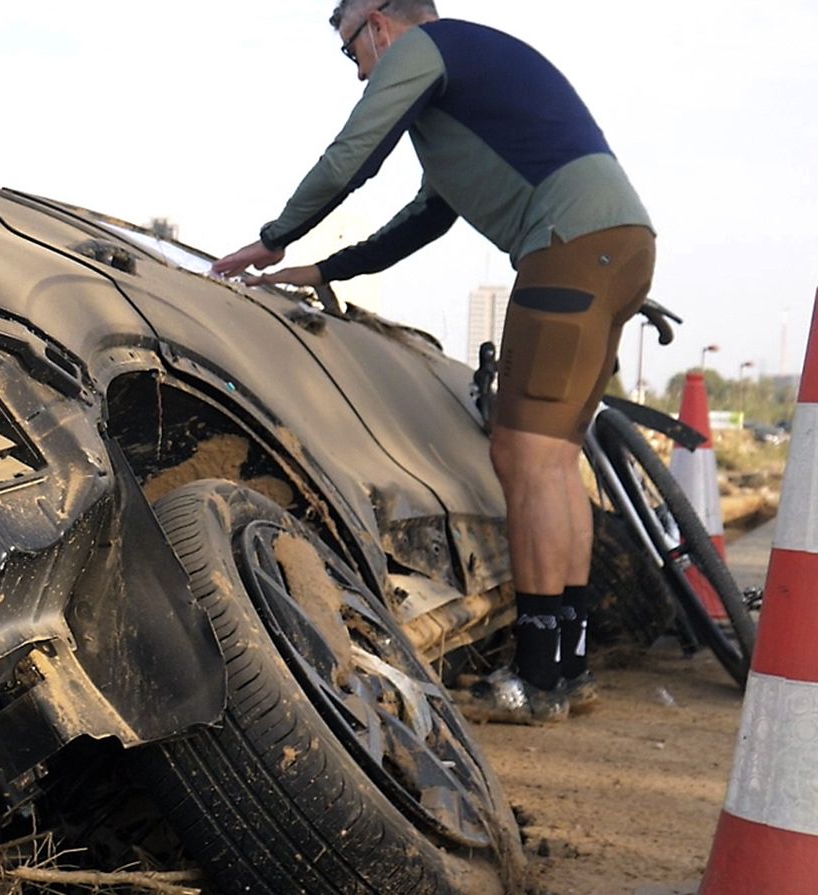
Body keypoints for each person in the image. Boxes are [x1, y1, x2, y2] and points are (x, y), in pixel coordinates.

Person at [209, 0, 654, 724]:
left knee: (522, 455)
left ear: (379, 24)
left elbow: (353, 153)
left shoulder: (427, 51)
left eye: (351, 49)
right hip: (618, 246)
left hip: (570, 245)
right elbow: (424, 219)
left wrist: (275, 237)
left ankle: (538, 680)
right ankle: (566, 667)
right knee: (554, 459)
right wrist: (324, 271)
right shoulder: (465, 96)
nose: (357, 72)